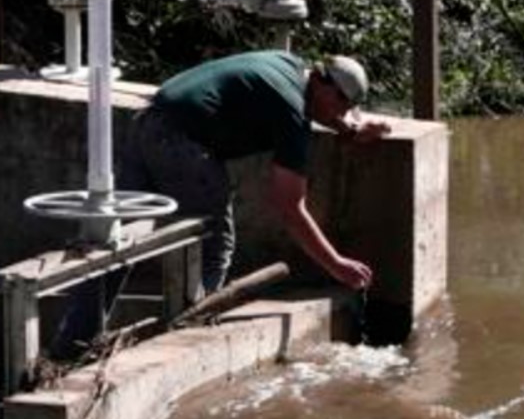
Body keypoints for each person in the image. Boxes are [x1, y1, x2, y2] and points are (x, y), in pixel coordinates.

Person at [54, 49, 391, 356]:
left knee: (119, 240)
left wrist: (350, 127)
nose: (342, 113)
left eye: (349, 108)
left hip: (148, 123)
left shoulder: (288, 64)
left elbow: (321, 107)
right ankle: (185, 340)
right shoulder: (292, 115)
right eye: (340, 102)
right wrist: (336, 265)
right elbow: (289, 206)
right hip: (183, 143)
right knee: (214, 244)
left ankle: (70, 346)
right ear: (320, 80)